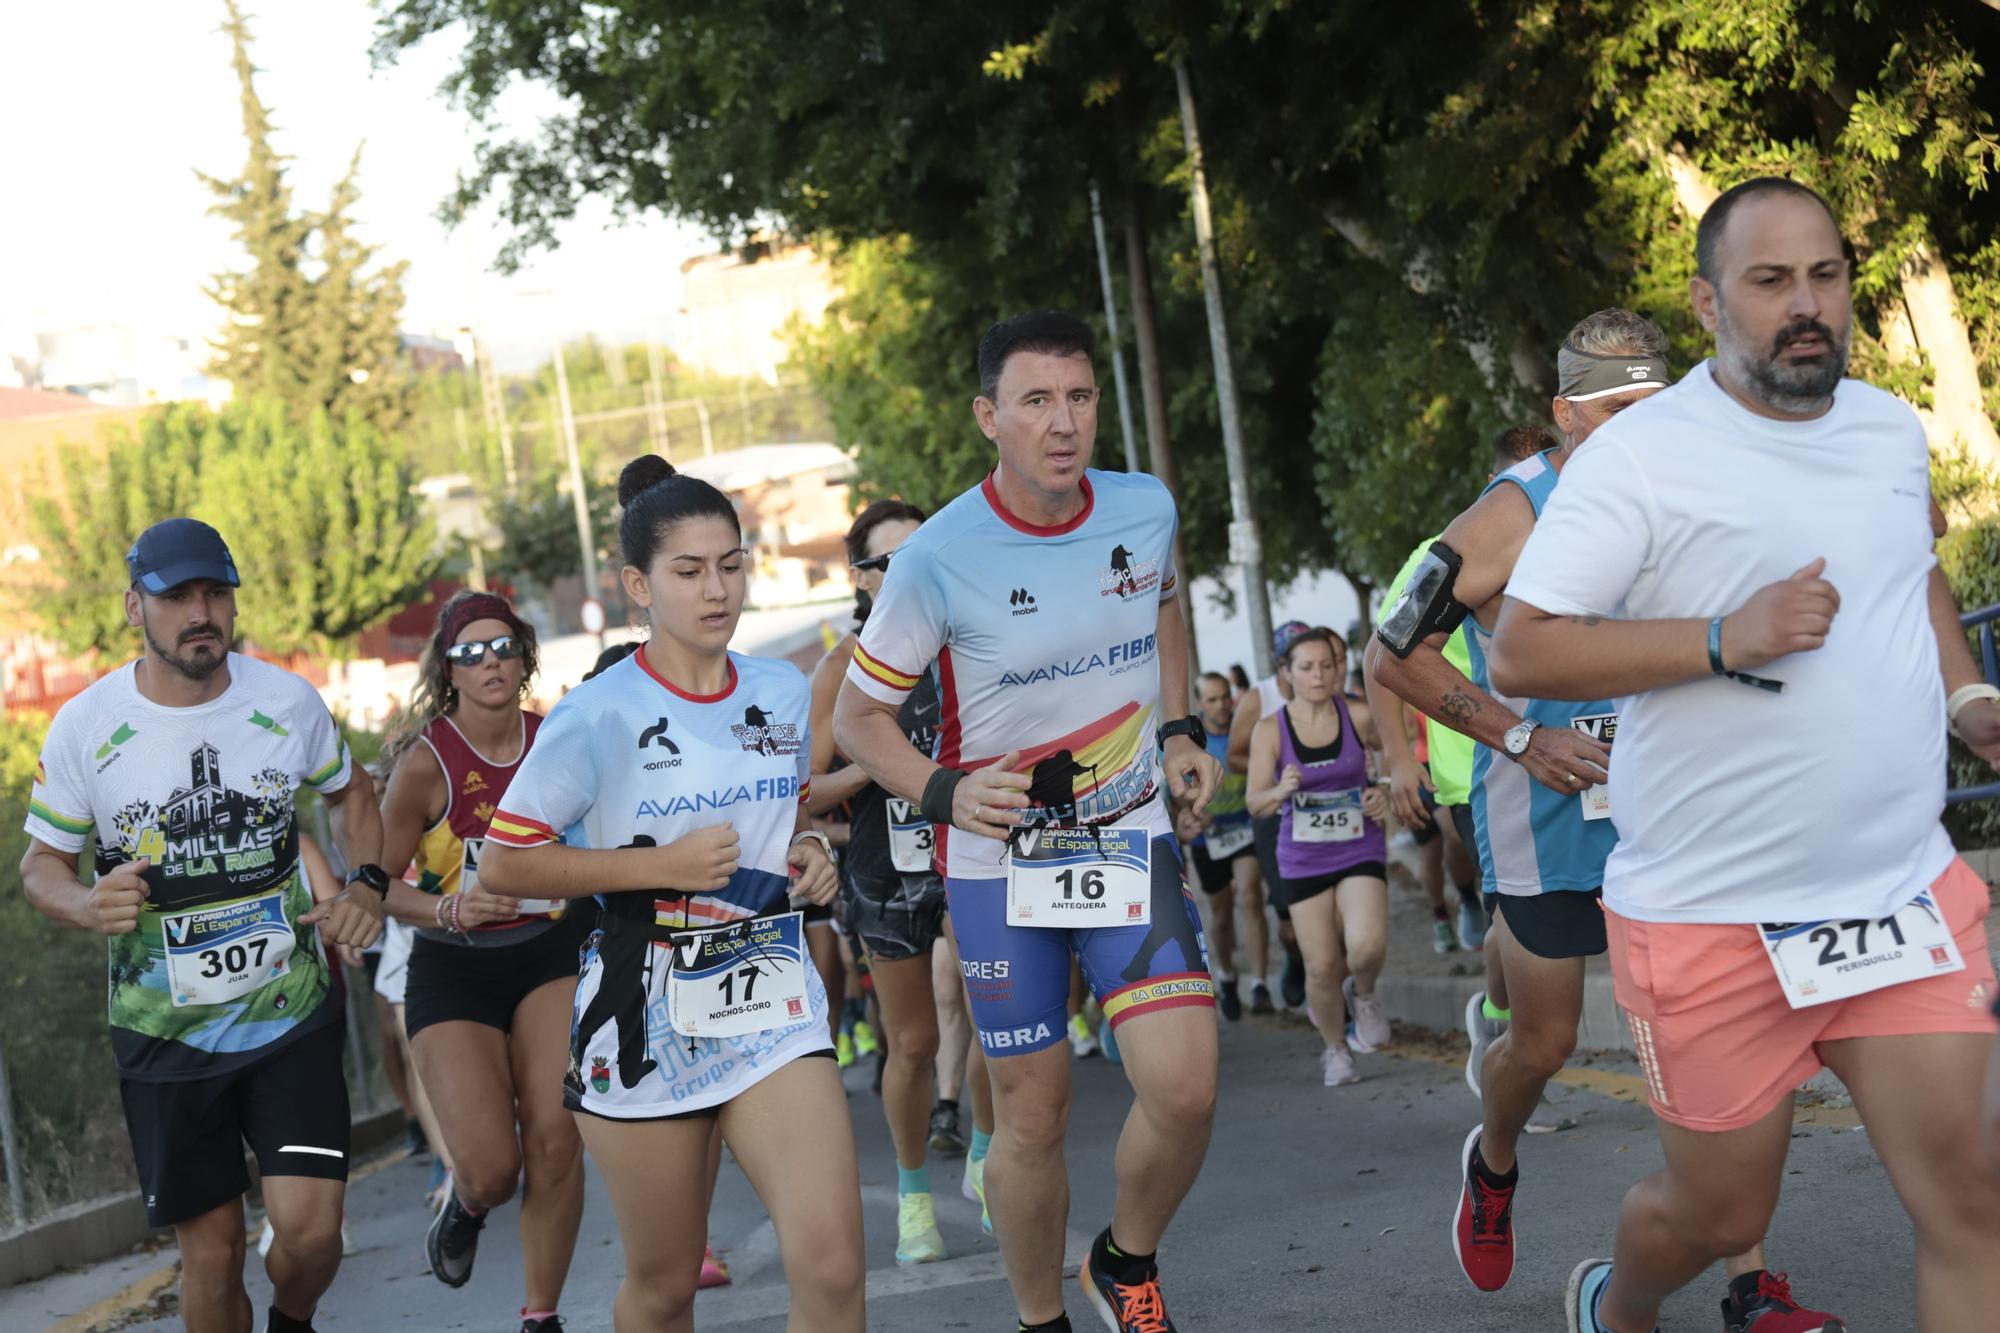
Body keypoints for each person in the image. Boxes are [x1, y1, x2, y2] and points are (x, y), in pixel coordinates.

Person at [1477, 178, 2000, 1333]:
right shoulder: (1640, 458)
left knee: (1969, 1200)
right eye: (1769, 282)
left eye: (1823, 276)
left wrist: (1964, 690)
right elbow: (1520, 647)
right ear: (1709, 303)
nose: (1802, 304)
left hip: (1892, 894)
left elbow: (1904, 570)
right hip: (1711, 912)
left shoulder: (1883, 426)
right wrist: (1721, 638)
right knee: (1719, 1214)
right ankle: (1618, 1305)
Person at [1366, 308, 1836, 1330]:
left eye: (1650, 407)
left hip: (1674, 815)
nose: (1634, 430)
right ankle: (1492, 1163)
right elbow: (1389, 654)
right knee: (1539, 1044)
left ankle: (1750, 1284)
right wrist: (1518, 737)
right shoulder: (1507, 517)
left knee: (1727, 1031)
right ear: (1562, 415)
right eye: (1610, 411)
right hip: (1545, 813)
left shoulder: (1695, 493)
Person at [834, 310, 1223, 1333]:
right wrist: (943, 791)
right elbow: (856, 717)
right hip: (1000, 863)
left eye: (1079, 397)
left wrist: (1179, 727)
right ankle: (1034, 1317)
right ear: (988, 417)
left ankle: (1119, 1259)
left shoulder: (1143, 509)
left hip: (1126, 830)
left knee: (1183, 1090)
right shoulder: (934, 557)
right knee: (1034, 1113)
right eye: (1036, 401)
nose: (1063, 423)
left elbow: (1164, 604)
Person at [480, 454, 863, 1333]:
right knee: (664, 1288)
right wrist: (659, 866)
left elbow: (784, 812)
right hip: (641, 1003)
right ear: (638, 587)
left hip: (770, 992)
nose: (716, 588)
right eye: (688, 571)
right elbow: (505, 863)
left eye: (730, 564)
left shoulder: (776, 689)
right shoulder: (596, 715)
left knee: (835, 1264)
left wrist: (807, 850)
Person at [20, 517, 387, 1333]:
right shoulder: (86, 725)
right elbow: (41, 867)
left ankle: (293, 1319)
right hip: (164, 1031)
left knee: (313, 1231)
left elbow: (351, 793)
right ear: (133, 607)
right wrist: (86, 903)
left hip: (288, 1007)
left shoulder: (285, 699)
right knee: (212, 1253)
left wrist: (367, 882)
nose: (201, 612)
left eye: (215, 593)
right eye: (177, 596)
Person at [371, 591, 585, 1333]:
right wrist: (448, 908)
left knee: (557, 1137)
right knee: (494, 1168)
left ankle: (540, 1315)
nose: (489, 661)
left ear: (525, 659)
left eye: (503, 647)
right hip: (454, 964)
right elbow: (378, 887)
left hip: (548, 952)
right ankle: (464, 1208)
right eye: (470, 652)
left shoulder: (556, 737)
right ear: (448, 670)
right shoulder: (425, 764)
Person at [807, 496, 989, 1266]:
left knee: (996, 1007)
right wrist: (878, 763)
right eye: (893, 561)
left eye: (925, 554)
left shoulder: (970, 644)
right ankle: (915, 1197)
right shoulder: (843, 668)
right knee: (911, 1041)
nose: (911, 571)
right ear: (862, 577)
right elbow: (805, 789)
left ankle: (986, 1152)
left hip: (972, 852)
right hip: (885, 872)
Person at [1366, 424, 1556, 1084]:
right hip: (1475, 767)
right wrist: (1397, 756)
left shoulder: (1587, 533)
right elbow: (1381, 655)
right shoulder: (1446, 549)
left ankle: (1509, 1016)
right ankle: (1505, 1024)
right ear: (1496, 487)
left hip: (1574, 756)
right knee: (1511, 913)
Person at [1245, 629, 1391, 1085]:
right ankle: (1335, 1049)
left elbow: (1391, 762)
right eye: (1306, 667)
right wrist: (1281, 790)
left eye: (1326, 665)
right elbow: (1254, 803)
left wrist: (1380, 791)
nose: (1318, 675)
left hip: (1358, 846)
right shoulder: (1270, 729)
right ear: (1286, 674)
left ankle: (1363, 995)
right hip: (1303, 859)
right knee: (1323, 967)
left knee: (1365, 944)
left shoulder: (1360, 715)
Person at [1230, 620, 1315, 1012]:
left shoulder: (1323, 694)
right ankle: (1296, 959)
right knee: (1289, 915)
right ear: (1281, 665)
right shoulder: (1257, 699)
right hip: (1274, 813)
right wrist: (1275, 770)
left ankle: (1335, 992)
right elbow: (1234, 756)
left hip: (1319, 808)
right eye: (1295, 660)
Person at [1178, 671, 1266, 1020]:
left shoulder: (1245, 731)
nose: (1220, 705)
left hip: (1245, 829)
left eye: (1224, 697)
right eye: (1211, 699)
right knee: (1223, 914)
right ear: (1200, 703)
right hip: (1208, 839)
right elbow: (1176, 794)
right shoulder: (1189, 742)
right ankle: (1227, 972)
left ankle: (1259, 983)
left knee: (1251, 895)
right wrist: (1190, 813)